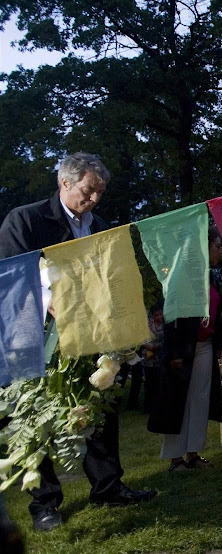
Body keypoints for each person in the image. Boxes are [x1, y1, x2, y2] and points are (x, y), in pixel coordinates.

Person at [0, 152, 156, 531]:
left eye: (100, 193)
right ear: (64, 183)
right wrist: (49, 298)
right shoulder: (26, 219)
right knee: (39, 418)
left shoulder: (99, 225)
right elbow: (9, 272)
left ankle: (108, 487)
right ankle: (45, 504)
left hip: (92, 334)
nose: (94, 200)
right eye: (88, 191)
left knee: (99, 409)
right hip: (36, 337)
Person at [147, 226, 222, 471]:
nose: (220, 252)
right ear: (205, 247)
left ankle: (193, 453)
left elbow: (216, 313)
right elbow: (172, 315)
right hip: (183, 349)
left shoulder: (213, 277)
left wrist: (219, 345)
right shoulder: (182, 275)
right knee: (178, 401)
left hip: (205, 346)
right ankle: (175, 458)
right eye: (217, 246)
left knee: (200, 400)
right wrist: (172, 353)